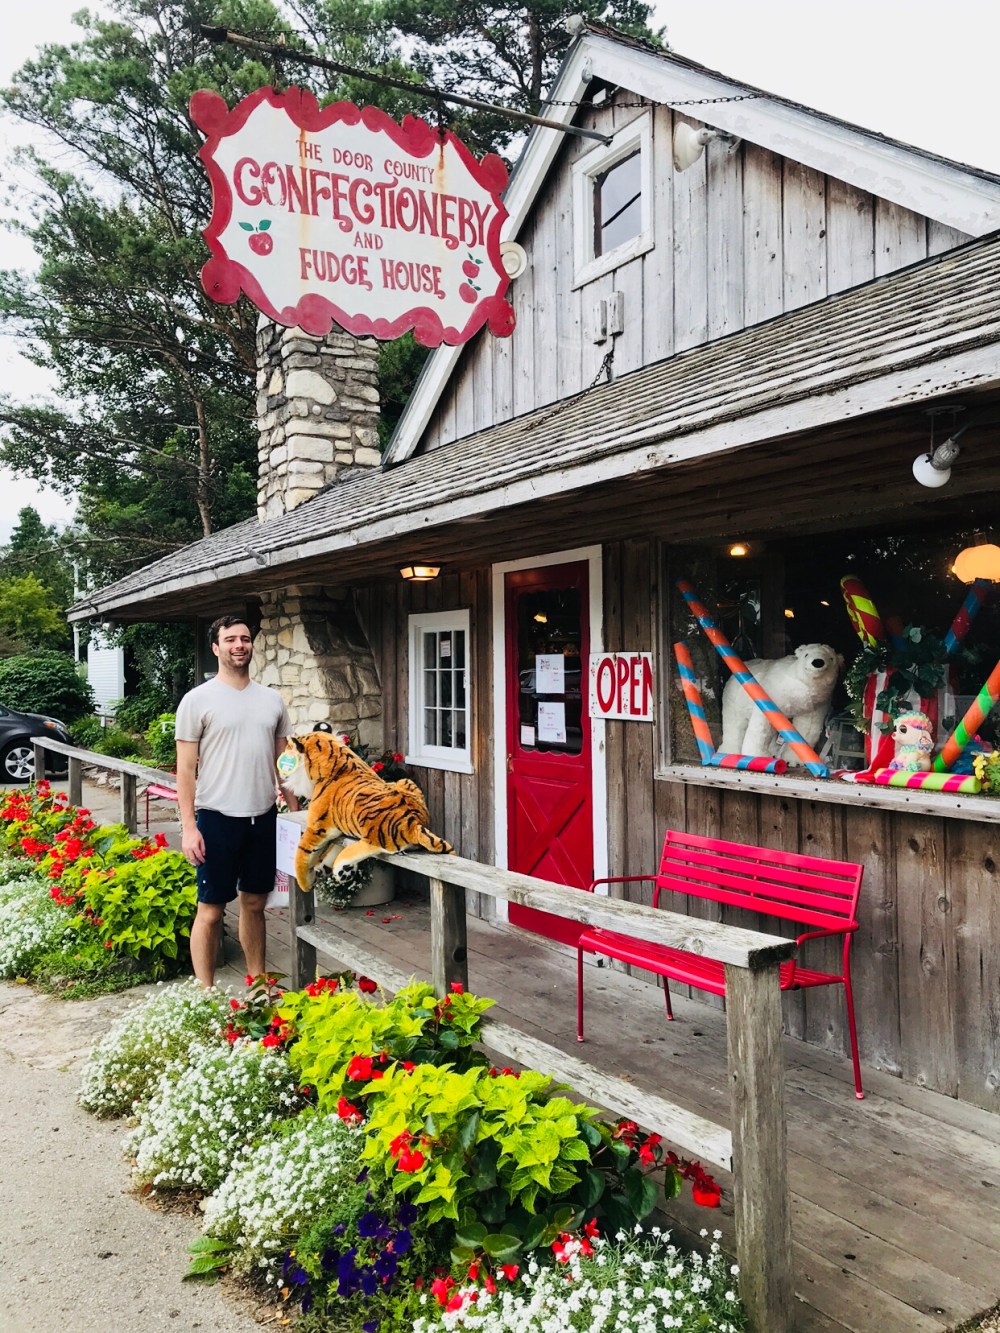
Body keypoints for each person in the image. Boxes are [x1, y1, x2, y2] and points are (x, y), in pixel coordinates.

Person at [175, 615, 294, 988]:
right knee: (211, 910)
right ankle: (205, 992)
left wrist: (297, 811)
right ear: (216, 648)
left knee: (255, 905)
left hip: (263, 818)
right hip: (217, 819)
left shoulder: (272, 701)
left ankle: (258, 986)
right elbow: (185, 770)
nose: (239, 645)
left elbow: (284, 762)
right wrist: (189, 827)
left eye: (244, 638)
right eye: (230, 639)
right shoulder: (197, 700)